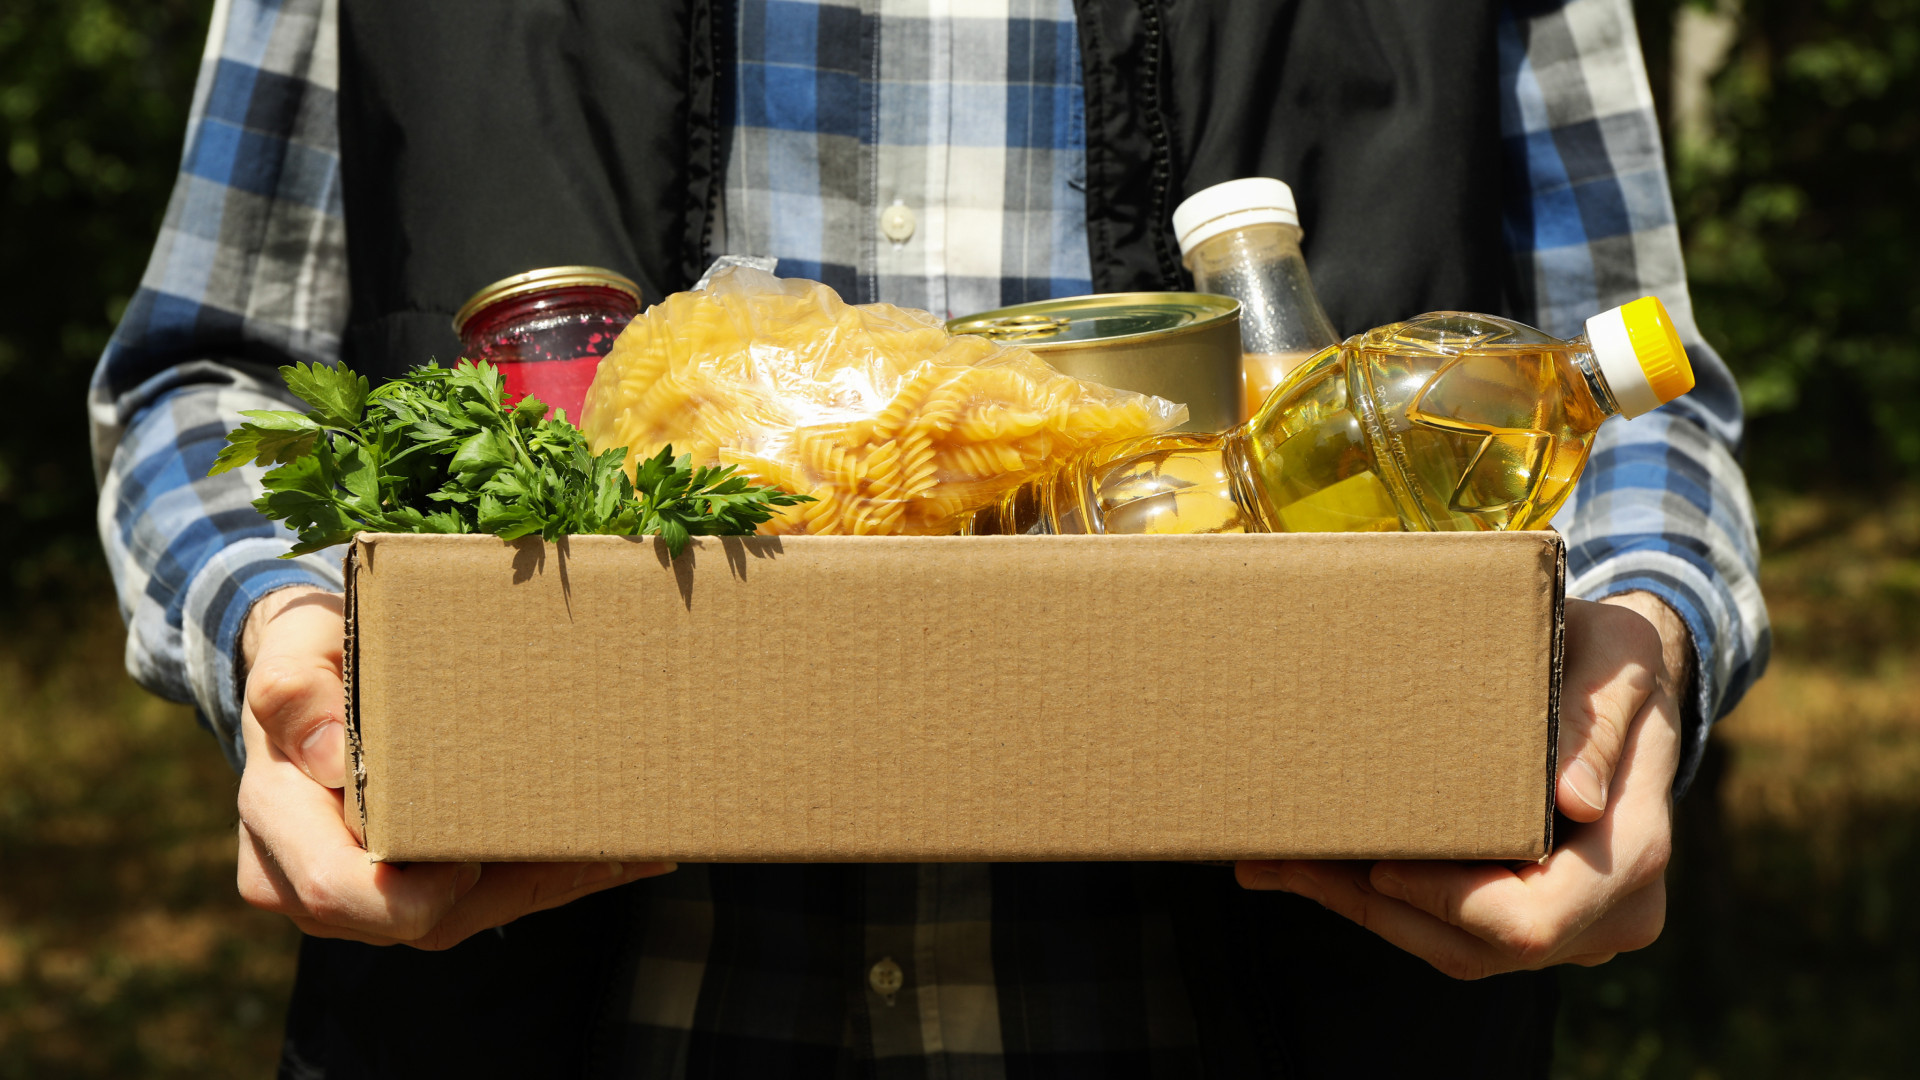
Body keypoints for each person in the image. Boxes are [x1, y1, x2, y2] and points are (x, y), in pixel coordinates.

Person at [92, 0, 1768, 1073]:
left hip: (1290, 1013)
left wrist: (1634, 659)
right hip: (544, 1017)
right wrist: (280, 635)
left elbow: (1638, 384)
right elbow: (204, 378)